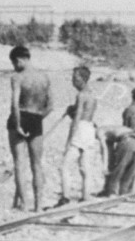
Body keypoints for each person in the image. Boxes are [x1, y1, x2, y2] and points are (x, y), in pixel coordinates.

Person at [7, 45, 52, 212]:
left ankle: (24, 204)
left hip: (20, 117)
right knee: (37, 164)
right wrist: (38, 119)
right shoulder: (44, 77)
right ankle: (38, 205)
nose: (14, 67)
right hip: (36, 119)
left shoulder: (17, 77)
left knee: (19, 163)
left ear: (19, 60)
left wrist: (18, 124)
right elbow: (51, 106)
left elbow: (14, 104)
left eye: (14, 63)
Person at [57, 66, 99, 206]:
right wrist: (72, 109)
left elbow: (77, 118)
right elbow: (86, 112)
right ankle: (86, 196)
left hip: (81, 128)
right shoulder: (93, 94)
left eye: (75, 78)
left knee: (65, 166)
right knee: (85, 167)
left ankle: (65, 197)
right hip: (90, 128)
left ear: (82, 79)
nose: (73, 81)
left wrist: (69, 140)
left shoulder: (81, 95)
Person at [101, 86, 135, 196]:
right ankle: (117, 192)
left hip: (131, 141)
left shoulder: (131, 109)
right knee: (125, 169)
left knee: (125, 168)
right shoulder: (134, 111)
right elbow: (132, 128)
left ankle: (118, 192)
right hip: (132, 140)